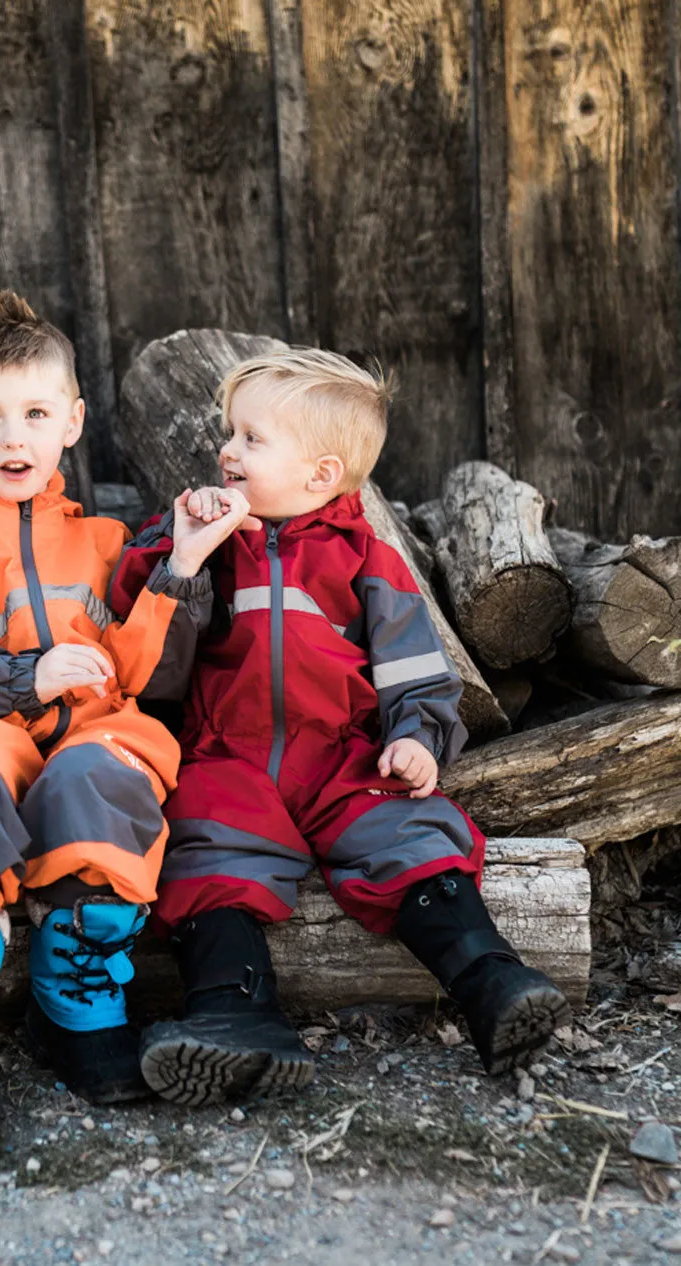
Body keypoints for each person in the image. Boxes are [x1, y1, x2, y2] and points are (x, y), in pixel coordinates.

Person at [110, 348, 571, 1106]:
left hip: (340, 755)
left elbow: (414, 667)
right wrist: (182, 559)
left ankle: (491, 982)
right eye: (232, 433)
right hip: (230, 753)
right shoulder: (200, 541)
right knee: (204, 848)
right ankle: (234, 1011)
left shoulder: (367, 563)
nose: (226, 450)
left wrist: (416, 736)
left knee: (412, 831)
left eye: (251, 440)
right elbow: (155, 663)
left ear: (321, 474)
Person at [0, 291, 234, 1135]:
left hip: (90, 728)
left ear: (72, 420)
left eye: (34, 413)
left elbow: (151, 673)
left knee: (105, 774)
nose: (13, 436)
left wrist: (179, 567)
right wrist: (29, 677)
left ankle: (75, 993)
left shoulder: (102, 542)